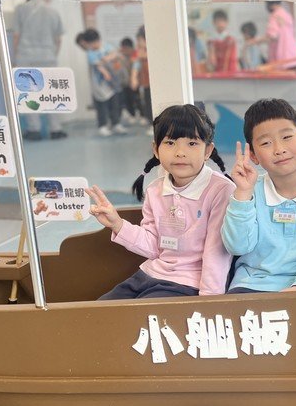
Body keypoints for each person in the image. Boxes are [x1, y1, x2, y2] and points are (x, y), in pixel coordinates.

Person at [86, 104, 235, 299]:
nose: (180, 152)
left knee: (137, 314)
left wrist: (209, 300)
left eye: (192, 143)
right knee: (100, 308)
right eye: (170, 142)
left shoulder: (221, 190)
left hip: (188, 283)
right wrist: (118, 224)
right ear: (156, 149)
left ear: (208, 151)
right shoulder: (155, 189)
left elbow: (217, 253)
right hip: (150, 274)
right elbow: (154, 246)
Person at [222, 98, 296, 293]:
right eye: (266, 143)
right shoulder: (248, 191)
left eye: (286, 137)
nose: (279, 149)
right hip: (251, 285)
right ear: (253, 156)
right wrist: (243, 193)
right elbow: (238, 247)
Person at [12, 0, 66, 140]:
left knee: (28, 94)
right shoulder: (53, 12)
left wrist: (15, 59)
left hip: (25, 56)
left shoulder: (20, 9)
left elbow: (16, 35)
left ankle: (34, 129)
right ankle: (56, 129)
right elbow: (58, 39)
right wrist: (52, 55)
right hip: (48, 57)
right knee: (51, 94)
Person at [75, 28, 128, 137]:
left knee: (115, 103)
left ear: (98, 40)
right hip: (100, 84)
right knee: (102, 105)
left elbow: (115, 54)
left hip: (112, 83)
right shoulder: (90, 53)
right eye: (90, 44)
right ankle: (102, 126)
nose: (93, 46)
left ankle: (116, 123)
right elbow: (98, 65)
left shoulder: (106, 46)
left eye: (94, 43)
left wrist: (107, 58)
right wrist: (105, 72)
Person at [245, 1, 296, 71]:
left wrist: (255, 41)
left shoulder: (275, 15)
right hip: (293, 58)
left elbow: (272, 36)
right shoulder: (287, 15)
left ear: (270, 4)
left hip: (282, 59)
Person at [131, 26, 152, 126]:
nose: (138, 43)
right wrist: (134, 78)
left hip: (154, 82)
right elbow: (136, 65)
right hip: (146, 82)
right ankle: (150, 120)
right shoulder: (140, 52)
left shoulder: (152, 51)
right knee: (147, 102)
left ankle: (152, 122)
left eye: (140, 40)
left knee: (151, 102)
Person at [207, 9, 238, 74]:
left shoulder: (231, 39)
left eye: (223, 21)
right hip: (217, 72)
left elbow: (235, 58)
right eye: (218, 21)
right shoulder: (211, 40)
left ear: (227, 22)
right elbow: (211, 60)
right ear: (214, 22)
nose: (221, 24)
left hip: (231, 71)